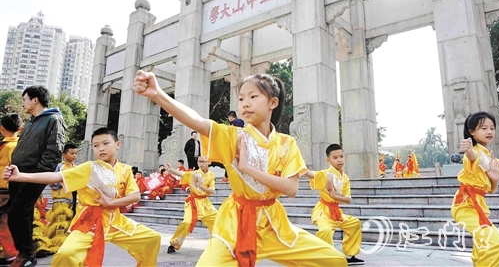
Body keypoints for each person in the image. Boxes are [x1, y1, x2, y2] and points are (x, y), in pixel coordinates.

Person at [133, 70, 347, 266]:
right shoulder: (234, 137)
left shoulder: (286, 143)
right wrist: (157, 94)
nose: (245, 103)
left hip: (274, 226)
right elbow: (197, 121)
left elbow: (290, 189)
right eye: (242, 98)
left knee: (335, 261)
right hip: (235, 223)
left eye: (253, 97)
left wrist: (247, 168)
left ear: (273, 102)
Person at [2, 127, 161, 267]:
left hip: (116, 221)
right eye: (96, 145)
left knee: (152, 239)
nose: (101, 149)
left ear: (117, 145)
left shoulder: (126, 170)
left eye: (106, 143)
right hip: (90, 222)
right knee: (66, 255)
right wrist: (20, 176)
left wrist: (111, 203)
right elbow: (56, 177)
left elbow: (135, 195)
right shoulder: (89, 168)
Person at [7, 86, 66, 267]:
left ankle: (27, 255)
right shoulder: (32, 122)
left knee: (17, 212)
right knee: (16, 213)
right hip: (18, 174)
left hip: (33, 174)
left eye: (25, 99)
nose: (23, 103)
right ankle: (24, 253)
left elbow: (54, 150)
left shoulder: (54, 119)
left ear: (35, 100)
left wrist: (39, 174)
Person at [452, 112, 499, 266]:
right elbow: (473, 157)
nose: (489, 132)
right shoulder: (476, 151)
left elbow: (491, 190)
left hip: (478, 205)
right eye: (483, 128)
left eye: (492, 128)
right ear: (472, 132)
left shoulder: (489, 155)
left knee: (483, 245)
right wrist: (468, 149)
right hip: (466, 205)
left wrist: (495, 179)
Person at [303, 144, 364, 265]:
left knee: (355, 224)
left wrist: (335, 197)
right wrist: (297, 165)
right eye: (335, 157)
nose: (339, 160)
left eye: (341, 156)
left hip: (337, 212)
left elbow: (348, 199)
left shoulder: (345, 178)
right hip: (324, 211)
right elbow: (310, 174)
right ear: (328, 160)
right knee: (325, 230)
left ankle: (350, 255)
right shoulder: (325, 174)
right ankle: (323, 258)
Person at [165, 156, 218, 254]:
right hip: (192, 202)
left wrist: (201, 186)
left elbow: (212, 191)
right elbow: (182, 174)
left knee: (217, 220)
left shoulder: (211, 175)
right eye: (199, 161)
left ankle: (218, 243)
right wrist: (170, 169)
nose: (201, 163)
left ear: (209, 162)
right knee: (187, 222)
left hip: (205, 203)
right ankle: (174, 243)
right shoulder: (194, 174)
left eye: (203, 161)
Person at [42, 144, 79, 254]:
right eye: (72, 153)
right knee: (59, 223)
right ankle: (57, 245)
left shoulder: (75, 168)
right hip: (60, 199)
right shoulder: (60, 166)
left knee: (69, 223)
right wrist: (62, 183)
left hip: (72, 200)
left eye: (76, 154)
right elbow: (52, 181)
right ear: (64, 155)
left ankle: (67, 244)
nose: (74, 156)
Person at [0, 113, 22, 266]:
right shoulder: (23, 146)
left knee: (3, 223)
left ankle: (10, 253)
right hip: (20, 190)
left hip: (2, 191)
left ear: (1, 128)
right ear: (20, 129)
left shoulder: (3, 147)